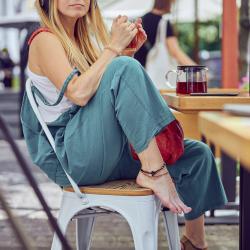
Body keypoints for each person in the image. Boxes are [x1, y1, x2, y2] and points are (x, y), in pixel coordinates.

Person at [20, 1, 227, 249]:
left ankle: (194, 242)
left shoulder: (83, 43)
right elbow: (78, 94)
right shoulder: (44, 39)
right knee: (124, 67)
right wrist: (113, 50)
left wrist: (123, 53)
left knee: (196, 154)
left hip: (100, 149)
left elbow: (104, 92)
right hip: (70, 156)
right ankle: (153, 172)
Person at [135, 0, 196, 67]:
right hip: (153, 71)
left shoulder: (141, 19)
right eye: (173, 3)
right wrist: (196, 69)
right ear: (168, 3)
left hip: (138, 68)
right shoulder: (163, 24)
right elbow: (175, 52)